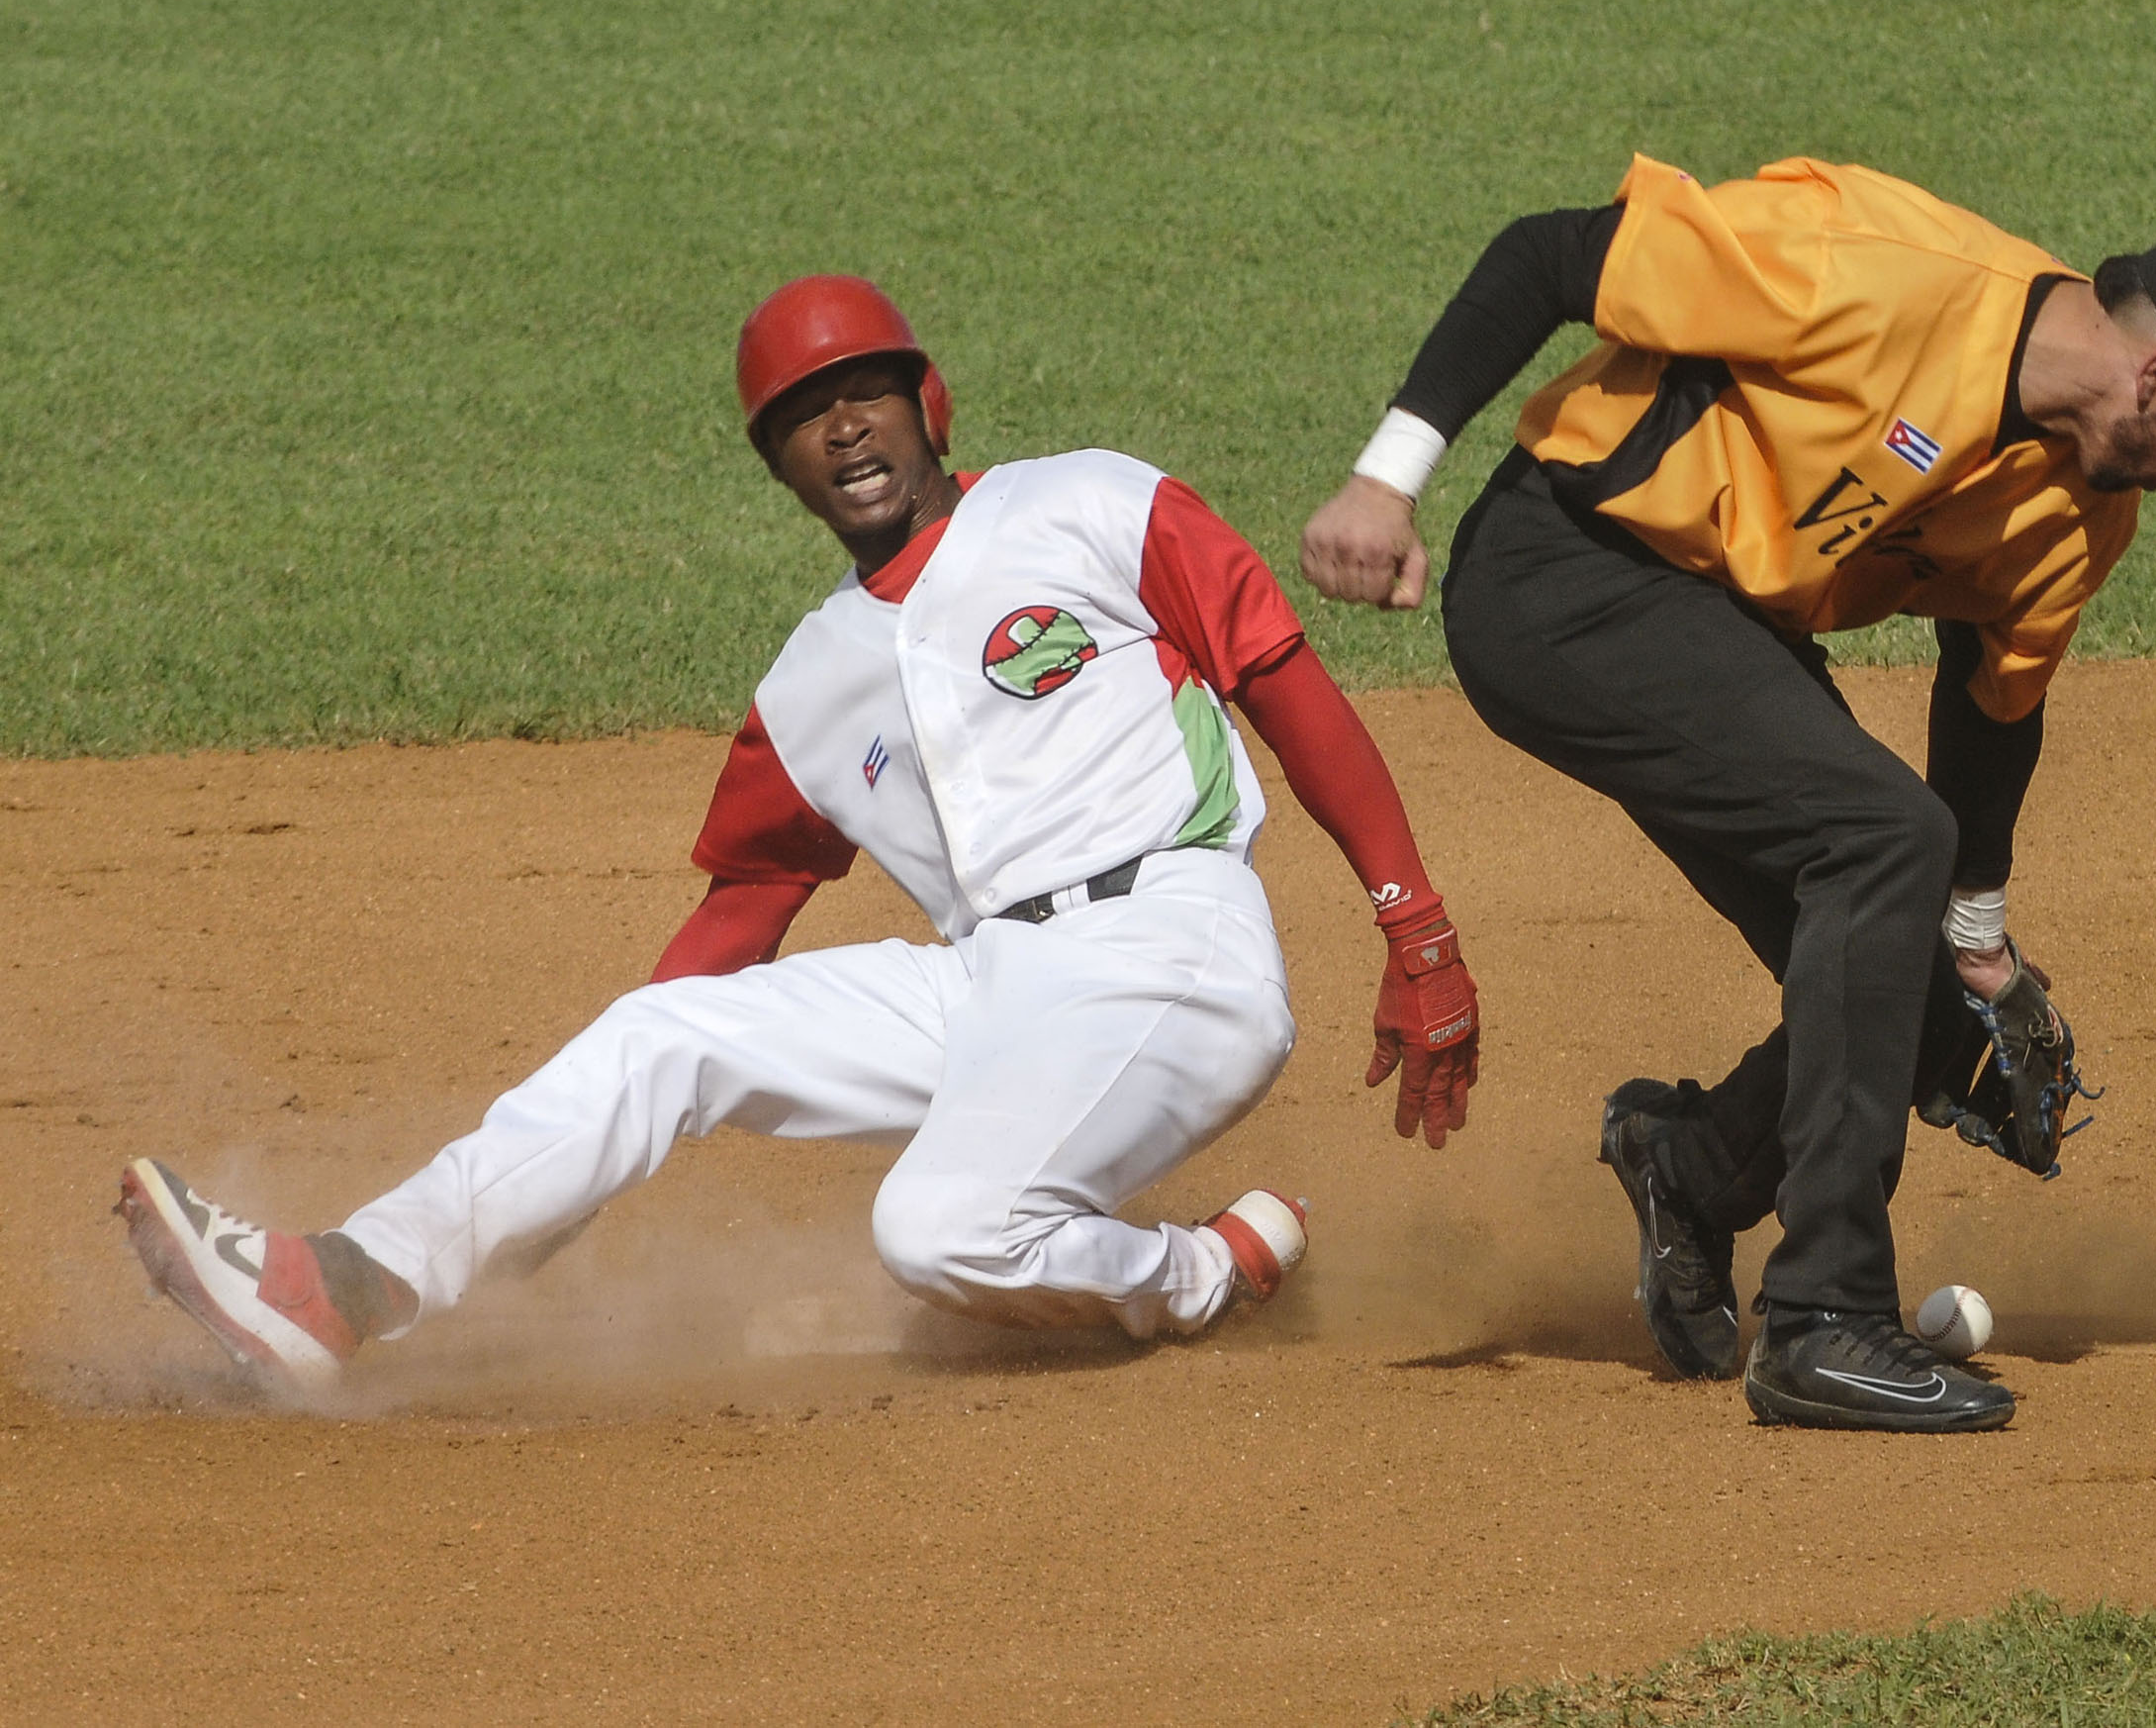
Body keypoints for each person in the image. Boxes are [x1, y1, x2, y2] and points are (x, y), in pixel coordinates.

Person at [120, 274, 1481, 1394]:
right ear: (776, 466)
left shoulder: (1092, 504)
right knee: (663, 1037)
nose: (839, 430)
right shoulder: (806, 683)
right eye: (800, 419)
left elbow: (1286, 686)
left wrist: (1411, 921)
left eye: (861, 395)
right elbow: (734, 923)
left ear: (924, 402)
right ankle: (354, 1283)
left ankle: (1197, 1272)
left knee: (932, 1228)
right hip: (984, 984)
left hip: (1173, 954)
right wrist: (576, 1157)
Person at [1300, 154, 2156, 1432]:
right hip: (1560, 571)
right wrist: (1384, 479)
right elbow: (1549, 255)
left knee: (1907, 973)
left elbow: (1991, 700)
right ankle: (1825, 1318)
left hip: (1718, 626)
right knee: (1882, 837)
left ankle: (1688, 1165)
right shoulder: (1876, 275)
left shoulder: (2083, 513)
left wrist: (1980, 945)